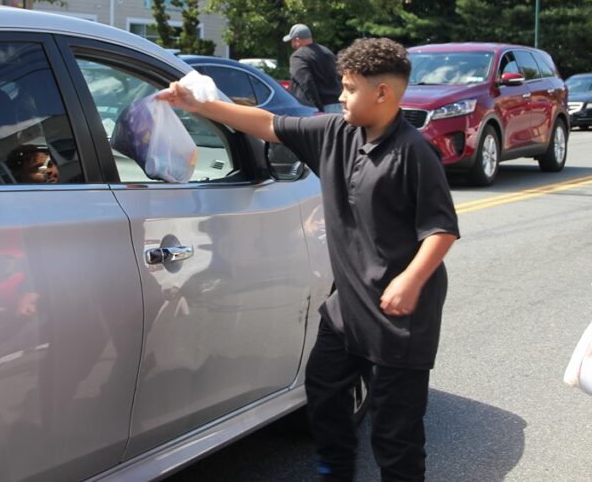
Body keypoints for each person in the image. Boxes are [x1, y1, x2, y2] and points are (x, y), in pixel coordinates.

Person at [159, 38, 459, 482]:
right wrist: (201, 106)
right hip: (347, 309)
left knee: (396, 437)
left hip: (400, 319)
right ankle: (335, 474)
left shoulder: (413, 153)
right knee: (323, 391)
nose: (340, 96)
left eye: (350, 88)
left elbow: (441, 228)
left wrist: (411, 280)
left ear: (382, 94)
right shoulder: (335, 134)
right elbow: (266, 123)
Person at [284, 23, 344, 113]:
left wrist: (317, 108)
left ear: (297, 40)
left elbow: (306, 83)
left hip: (316, 108)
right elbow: (339, 77)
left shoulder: (298, 57)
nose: (292, 44)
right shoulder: (328, 52)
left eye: (292, 41)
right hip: (337, 104)